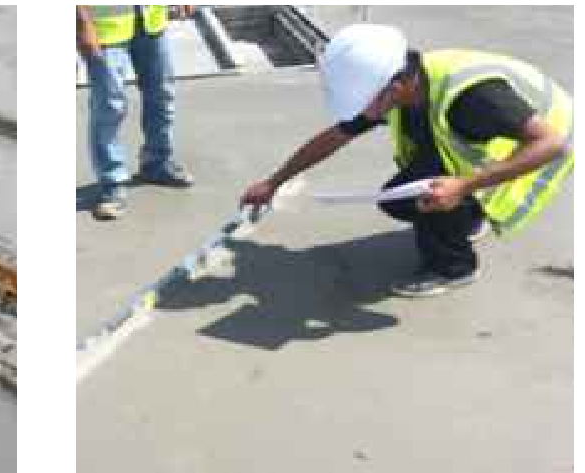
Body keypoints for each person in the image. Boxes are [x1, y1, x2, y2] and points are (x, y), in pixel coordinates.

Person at [239, 24, 572, 297]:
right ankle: (467, 217)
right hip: (494, 138)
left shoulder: (473, 98)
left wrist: (464, 185)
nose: (364, 111)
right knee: (419, 184)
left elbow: (551, 143)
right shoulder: (399, 85)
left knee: (416, 194)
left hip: (545, 143)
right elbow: (336, 137)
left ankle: (454, 269)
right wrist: (274, 182)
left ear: (397, 86)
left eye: (367, 101)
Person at [78, 5, 196, 220]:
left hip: (151, 22)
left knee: (162, 94)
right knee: (109, 107)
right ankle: (112, 183)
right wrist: (82, 25)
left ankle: (157, 163)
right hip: (106, 31)